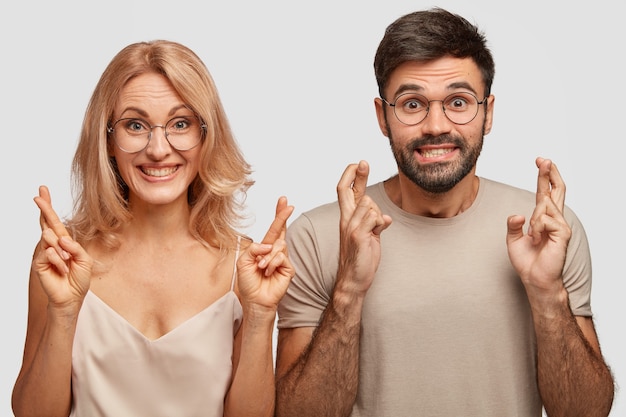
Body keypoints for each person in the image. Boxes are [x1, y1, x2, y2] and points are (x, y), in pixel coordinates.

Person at [275, 7, 614, 417]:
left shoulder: (546, 230)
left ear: (487, 113)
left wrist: (548, 294)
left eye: (458, 101)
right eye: (412, 103)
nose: (436, 125)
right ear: (383, 117)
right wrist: (348, 288)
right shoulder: (319, 235)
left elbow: (587, 412)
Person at [12, 40, 294, 417]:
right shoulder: (63, 256)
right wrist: (64, 313)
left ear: (205, 136)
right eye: (135, 125)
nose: (158, 149)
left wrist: (261, 318)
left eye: (180, 124)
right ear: (107, 138)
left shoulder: (243, 267)